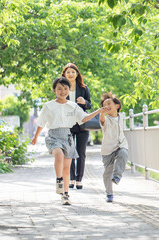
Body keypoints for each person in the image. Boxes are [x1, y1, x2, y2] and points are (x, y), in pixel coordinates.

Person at [31, 77, 104, 205]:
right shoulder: (48, 106)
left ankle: (65, 195)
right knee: (58, 154)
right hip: (53, 136)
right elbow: (41, 122)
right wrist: (36, 137)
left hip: (67, 136)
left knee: (66, 168)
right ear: (54, 90)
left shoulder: (73, 106)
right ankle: (59, 180)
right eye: (59, 89)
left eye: (65, 89)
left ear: (69, 90)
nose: (63, 91)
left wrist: (99, 111)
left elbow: (84, 118)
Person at [61, 63, 91, 190]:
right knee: (69, 152)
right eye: (68, 72)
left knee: (81, 152)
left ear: (77, 74)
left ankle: (79, 179)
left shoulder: (83, 88)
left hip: (82, 124)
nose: (71, 74)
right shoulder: (61, 88)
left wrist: (85, 102)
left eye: (73, 72)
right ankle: (71, 178)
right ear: (64, 74)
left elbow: (89, 105)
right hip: (67, 124)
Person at [99, 92, 128, 203]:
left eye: (109, 103)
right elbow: (102, 120)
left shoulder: (122, 116)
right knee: (107, 172)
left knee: (124, 154)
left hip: (120, 145)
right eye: (104, 105)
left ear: (117, 106)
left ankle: (117, 176)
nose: (107, 106)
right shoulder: (106, 119)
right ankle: (109, 193)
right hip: (107, 149)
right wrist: (101, 112)